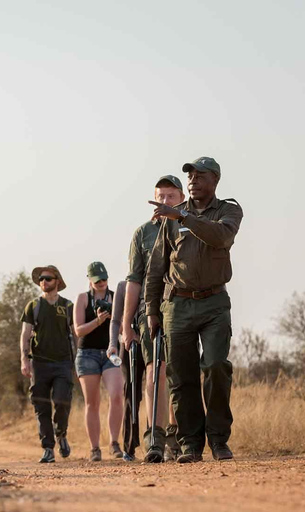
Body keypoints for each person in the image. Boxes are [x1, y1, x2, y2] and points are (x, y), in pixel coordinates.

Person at [145, 156, 243, 463]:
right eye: (190, 176)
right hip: (178, 304)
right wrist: (151, 310)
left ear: (215, 180)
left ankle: (218, 440)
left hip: (214, 302)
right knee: (181, 376)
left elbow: (220, 236)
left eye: (200, 176)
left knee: (215, 366)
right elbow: (156, 266)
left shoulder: (228, 210)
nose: (192, 181)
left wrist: (182, 218)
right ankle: (189, 444)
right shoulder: (173, 217)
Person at [121, 175, 186, 463]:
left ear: (182, 198)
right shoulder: (143, 233)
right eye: (160, 196)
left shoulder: (190, 227)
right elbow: (134, 280)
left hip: (184, 308)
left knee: (180, 375)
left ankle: (179, 437)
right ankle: (155, 440)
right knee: (154, 372)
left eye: (171, 196)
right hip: (151, 311)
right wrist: (125, 324)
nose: (165, 201)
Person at [20, 265, 76, 463]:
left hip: (63, 363)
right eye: (41, 279)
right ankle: (48, 448)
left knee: (62, 402)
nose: (44, 281)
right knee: (41, 407)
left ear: (57, 281)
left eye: (48, 278)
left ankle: (61, 433)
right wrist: (24, 360)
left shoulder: (68, 306)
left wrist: (77, 360)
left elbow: (76, 334)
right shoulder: (33, 306)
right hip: (39, 364)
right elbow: (25, 334)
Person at [73, 262, 123, 462]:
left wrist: (114, 319)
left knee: (117, 395)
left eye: (104, 278)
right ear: (90, 280)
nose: (102, 283)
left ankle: (114, 442)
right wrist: (98, 321)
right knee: (92, 402)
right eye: (97, 280)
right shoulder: (83, 299)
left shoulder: (115, 297)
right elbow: (78, 330)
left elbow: (122, 329)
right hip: (87, 354)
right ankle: (95, 448)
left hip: (111, 353)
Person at [109, 279, 144, 461]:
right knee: (131, 394)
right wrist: (112, 344)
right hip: (129, 345)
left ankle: (162, 442)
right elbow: (115, 320)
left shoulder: (159, 279)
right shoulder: (123, 287)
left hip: (152, 341)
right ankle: (129, 446)